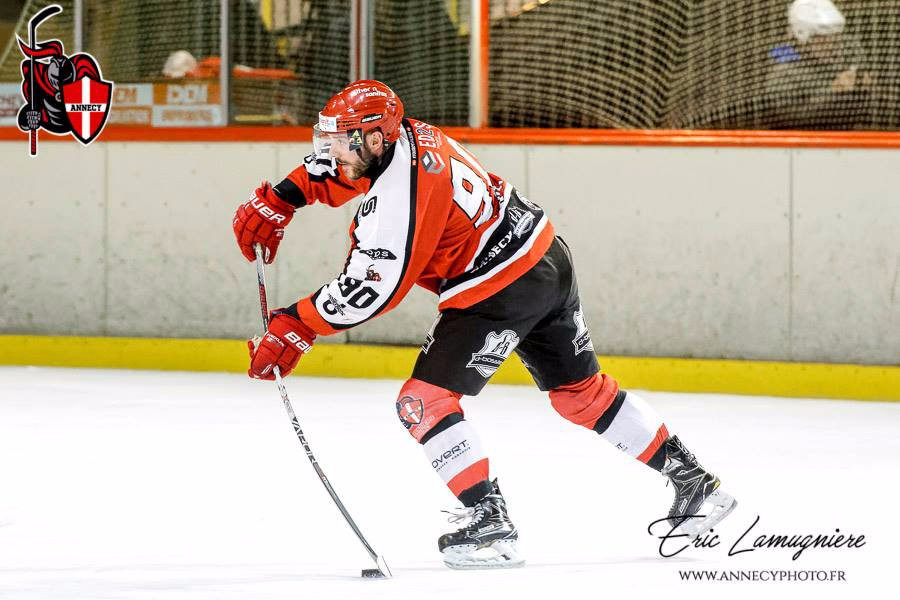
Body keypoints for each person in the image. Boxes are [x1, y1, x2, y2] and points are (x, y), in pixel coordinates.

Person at [231, 80, 736, 569]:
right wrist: (281, 198)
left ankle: (490, 525)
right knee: (582, 395)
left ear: (376, 137)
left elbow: (374, 289)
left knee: (421, 403)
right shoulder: (401, 137)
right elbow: (340, 171)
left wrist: (296, 324)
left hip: (498, 286)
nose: (333, 150)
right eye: (331, 139)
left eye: (343, 141)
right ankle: (696, 483)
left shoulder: (399, 201)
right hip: (544, 256)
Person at [764, 0, 873, 129]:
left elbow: (855, 116)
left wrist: (861, 91)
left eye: (835, 37)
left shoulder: (836, 66)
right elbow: (789, 118)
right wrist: (833, 92)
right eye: (822, 38)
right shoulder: (784, 72)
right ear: (802, 39)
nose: (831, 45)